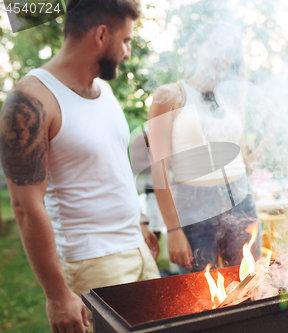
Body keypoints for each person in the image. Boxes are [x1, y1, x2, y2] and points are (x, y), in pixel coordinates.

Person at [0, 1, 160, 332]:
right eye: (126, 41)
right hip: (95, 263)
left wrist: (140, 222)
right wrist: (57, 295)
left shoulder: (105, 91)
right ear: (102, 35)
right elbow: (25, 206)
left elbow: (113, 165)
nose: (128, 52)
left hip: (138, 249)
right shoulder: (29, 101)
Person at [145, 23, 276, 273]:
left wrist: (271, 133)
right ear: (196, 48)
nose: (223, 57)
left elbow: (244, 163)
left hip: (241, 199)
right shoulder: (169, 95)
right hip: (194, 206)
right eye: (216, 47)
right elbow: (158, 167)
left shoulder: (231, 100)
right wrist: (173, 230)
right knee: (199, 299)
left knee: (249, 288)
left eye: (229, 53)